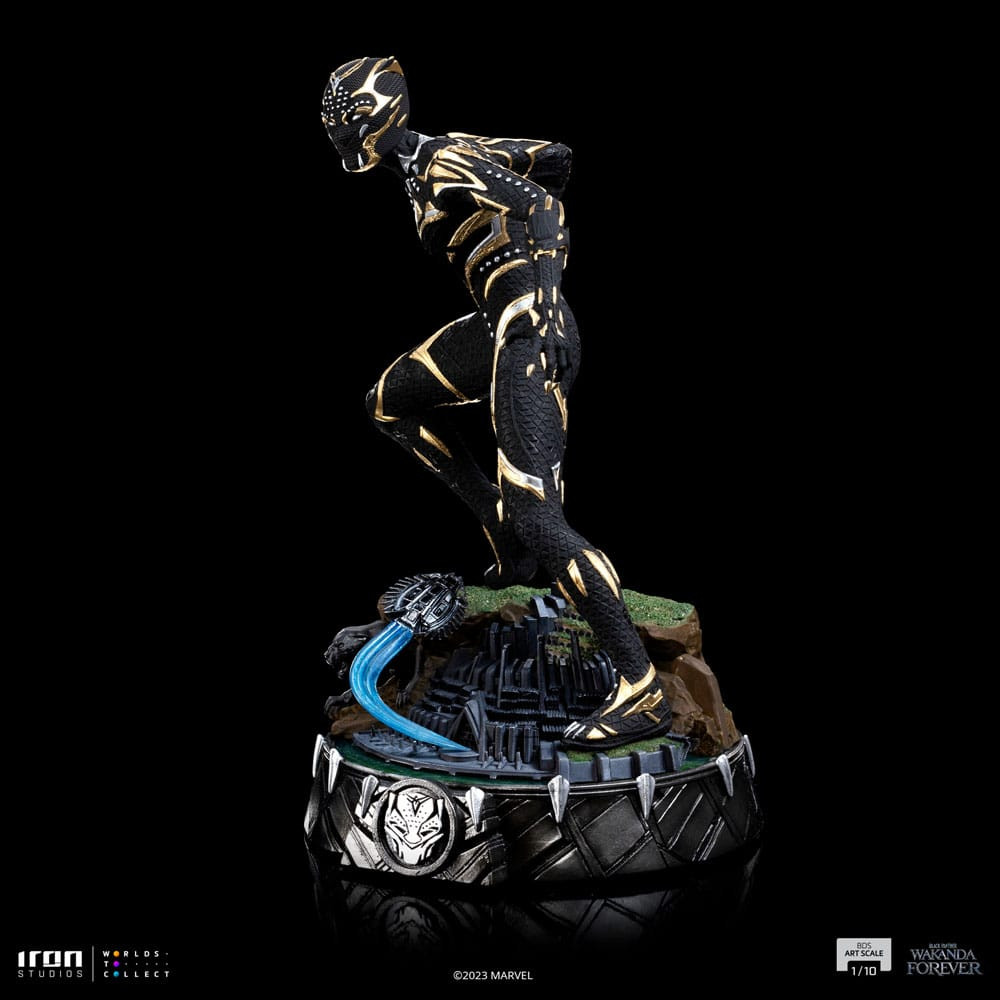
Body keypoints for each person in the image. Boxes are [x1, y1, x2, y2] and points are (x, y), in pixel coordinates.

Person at [321, 56, 670, 749]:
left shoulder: (440, 159)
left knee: (539, 514)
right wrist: (509, 163)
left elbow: (543, 204)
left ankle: (642, 689)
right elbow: (555, 158)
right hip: (493, 325)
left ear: (377, 115)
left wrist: (545, 300)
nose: (341, 134)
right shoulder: (436, 157)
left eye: (348, 120)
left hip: (527, 327)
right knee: (389, 403)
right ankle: (497, 524)